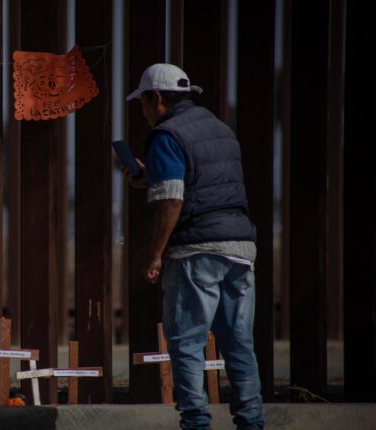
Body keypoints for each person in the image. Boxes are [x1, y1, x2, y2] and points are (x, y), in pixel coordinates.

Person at [125, 63, 265, 430]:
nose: (142, 111)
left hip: (197, 250)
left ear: (156, 97)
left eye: (141, 102)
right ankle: (252, 422)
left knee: (187, 344)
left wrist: (155, 255)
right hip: (241, 246)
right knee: (239, 343)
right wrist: (149, 177)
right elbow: (206, 183)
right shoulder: (221, 129)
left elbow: (173, 200)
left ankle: (196, 424)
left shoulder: (166, 134)